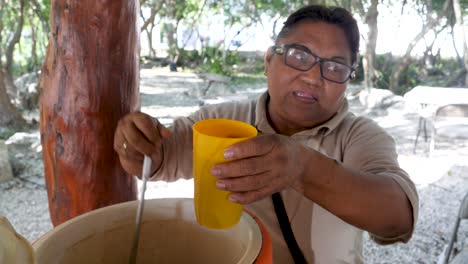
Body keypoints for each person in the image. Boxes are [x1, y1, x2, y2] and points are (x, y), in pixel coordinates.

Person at [114, 5, 418, 264]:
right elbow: (158, 157)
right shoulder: (222, 120)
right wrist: (135, 142)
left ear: (347, 80)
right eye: (299, 56)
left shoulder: (360, 136)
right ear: (269, 61)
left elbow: (397, 218)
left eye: (335, 67)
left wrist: (301, 167)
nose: (313, 77)